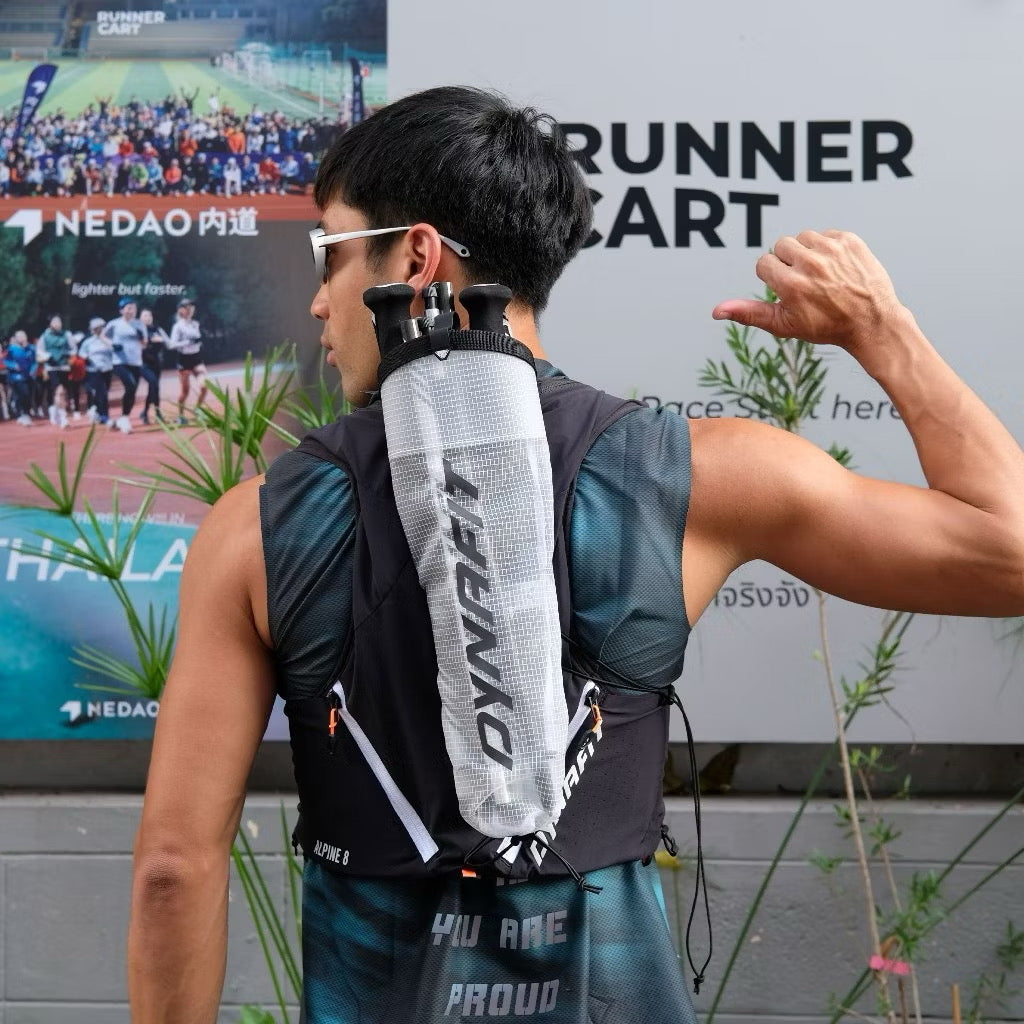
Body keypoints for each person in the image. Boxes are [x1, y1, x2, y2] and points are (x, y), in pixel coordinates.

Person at [128, 87, 1024, 1024]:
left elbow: (173, 872)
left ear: (417, 257)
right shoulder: (696, 479)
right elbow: (1008, 551)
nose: (318, 299)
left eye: (333, 253)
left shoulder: (257, 527)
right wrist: (883, 332)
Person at [105, 296, 146, 434]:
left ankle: (123, 418)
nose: (131, 311)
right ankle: (124, 418)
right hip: (120, 361)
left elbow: (144, 343)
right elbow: (103, 336)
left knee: (132, 391)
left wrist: (142, 338)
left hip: (136, 361)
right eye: (128, 308)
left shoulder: (140, 324)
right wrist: (112, 344)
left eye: (133, 308)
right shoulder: (114, 324)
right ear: (121, 310)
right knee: (130, 385)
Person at [167, 296, 206, 424]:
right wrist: (187, 342)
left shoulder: (195, 324)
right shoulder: (177, 326)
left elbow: (198, 340)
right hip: (184, 360)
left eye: (192, 307)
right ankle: (181, 416)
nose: (190, 310)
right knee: (185, 392)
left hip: (196, 358)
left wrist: (198, 342)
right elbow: (172, 345)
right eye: (187, 308)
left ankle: (198, 410)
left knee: (204, 387)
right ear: (181, 310)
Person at [79, 316, 113, 425]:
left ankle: (97, 412)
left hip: (107, 369)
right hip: (94, 370)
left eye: (102, 327)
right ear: (93, 329)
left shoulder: (108, 339)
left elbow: (114, 350)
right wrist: (86, 359)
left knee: (104, 392)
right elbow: (81, 354)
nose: (100, 329)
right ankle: (104, 415)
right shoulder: (88, 342)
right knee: (101, 393)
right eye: (97, 328)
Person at [139, 308, 167, 425]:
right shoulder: (138, 330)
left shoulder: (157, 329)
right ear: (140, 318)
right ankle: (152, 413)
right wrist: (151, 340)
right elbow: (139, 344)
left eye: (149, 315)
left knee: (155, 388)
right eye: (145, 316)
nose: (148, 318)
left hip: (156, 363)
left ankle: (149, 413)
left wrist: (161, 339)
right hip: (143, 364)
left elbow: (165, 341)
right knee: (153, 383)